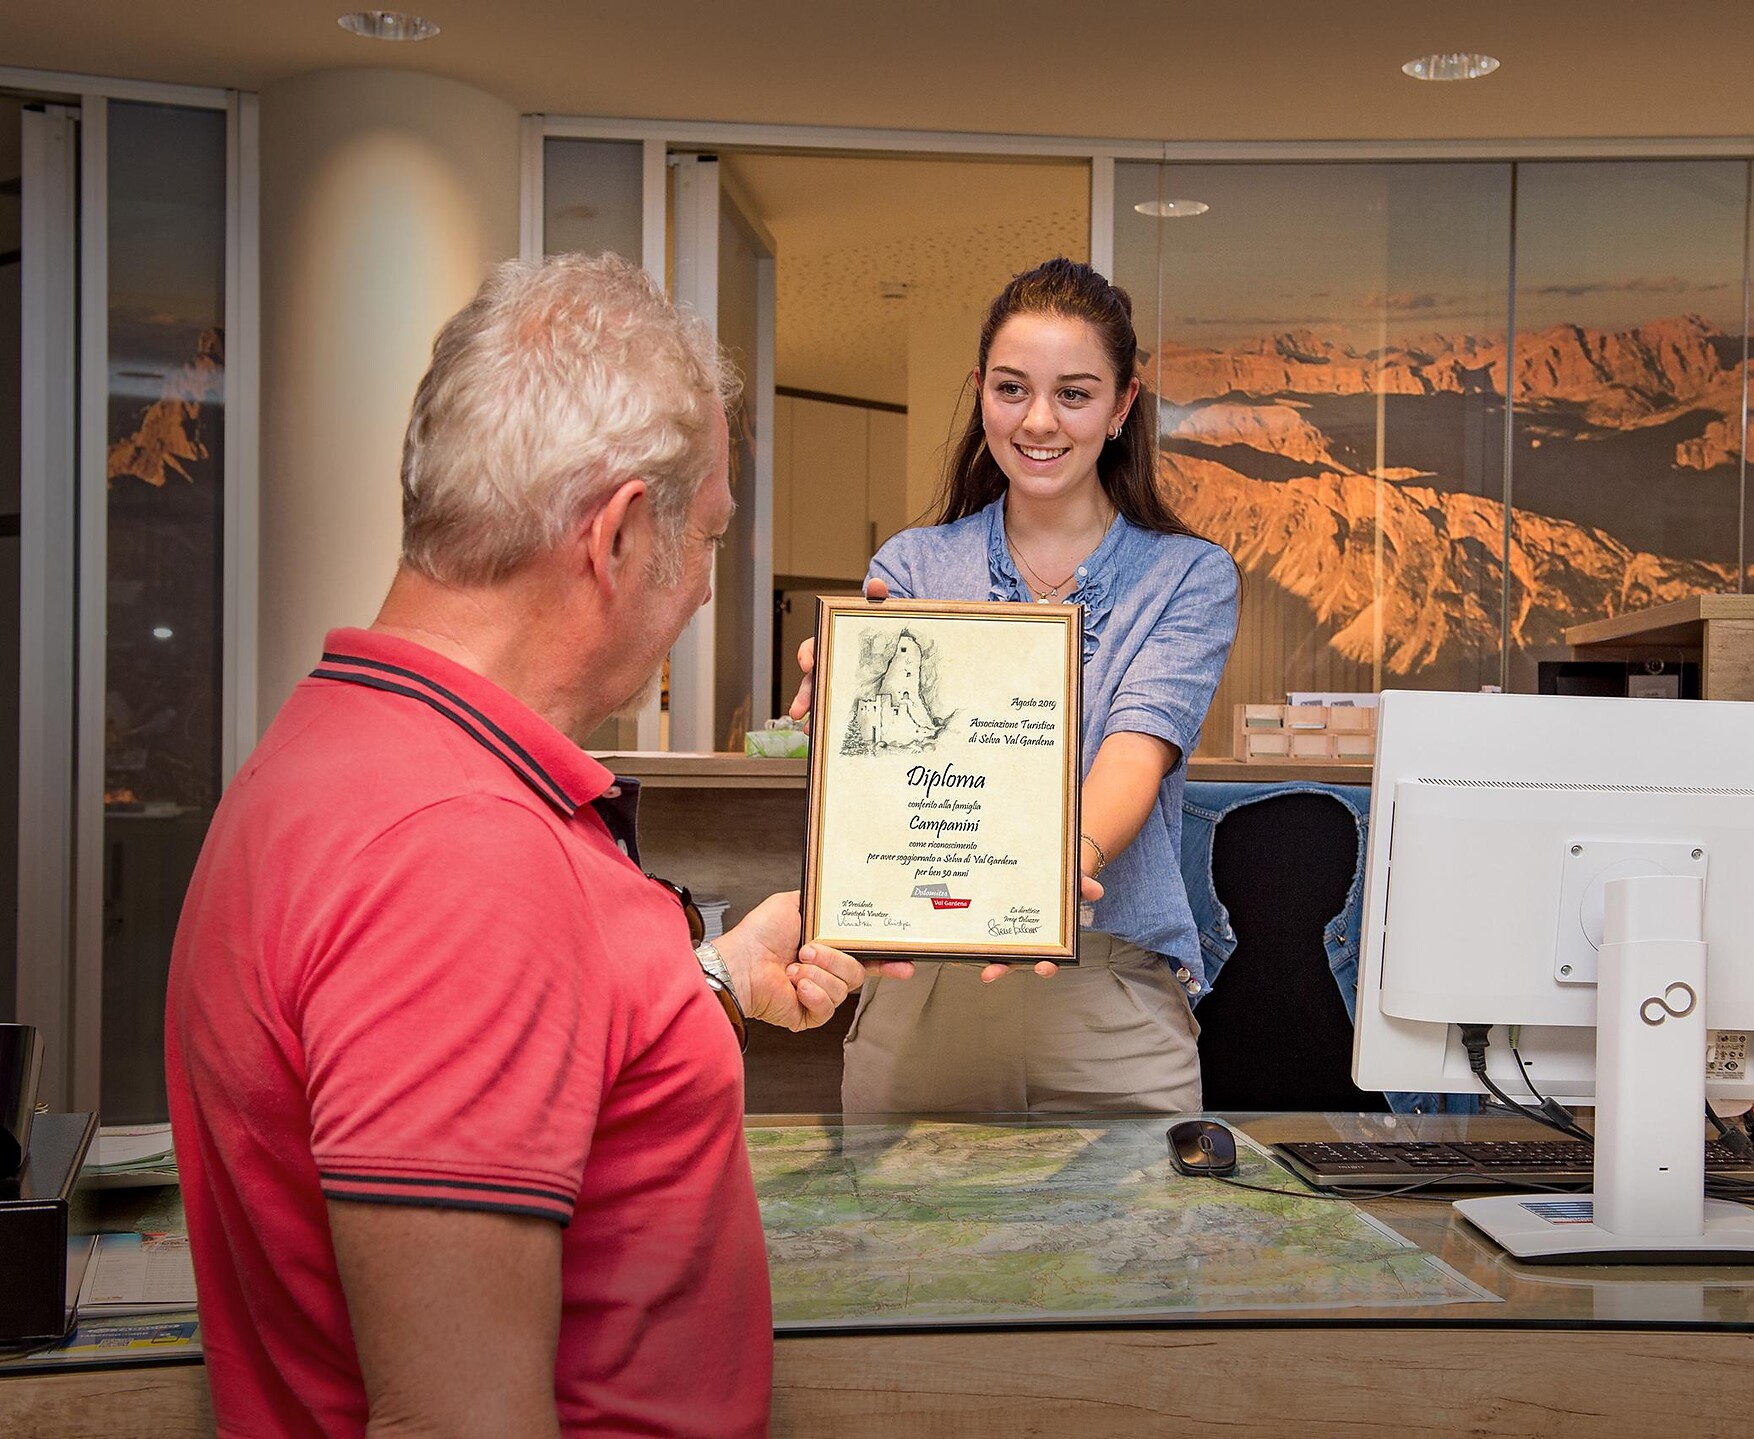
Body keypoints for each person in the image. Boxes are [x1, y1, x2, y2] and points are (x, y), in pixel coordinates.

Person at [166, 253, 905, 1439]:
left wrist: (709, 983)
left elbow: (491, 1069)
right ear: (616, 538)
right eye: (708, 536)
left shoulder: (343, 749)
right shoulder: (459, 859)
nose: (709, 586)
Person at [793, 258, 1239, 1114]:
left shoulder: (1188, 576)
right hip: (925, 996)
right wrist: (845, 705)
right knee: (906, 1252)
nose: (1039, 421)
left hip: (1113, 1011)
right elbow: (887, 783)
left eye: (1074, 393)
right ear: (980, 393)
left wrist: (1050, 875)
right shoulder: (912, 567)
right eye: (1012, 389)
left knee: (1143, 1251)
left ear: (1121, 406)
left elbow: (1136, 752)